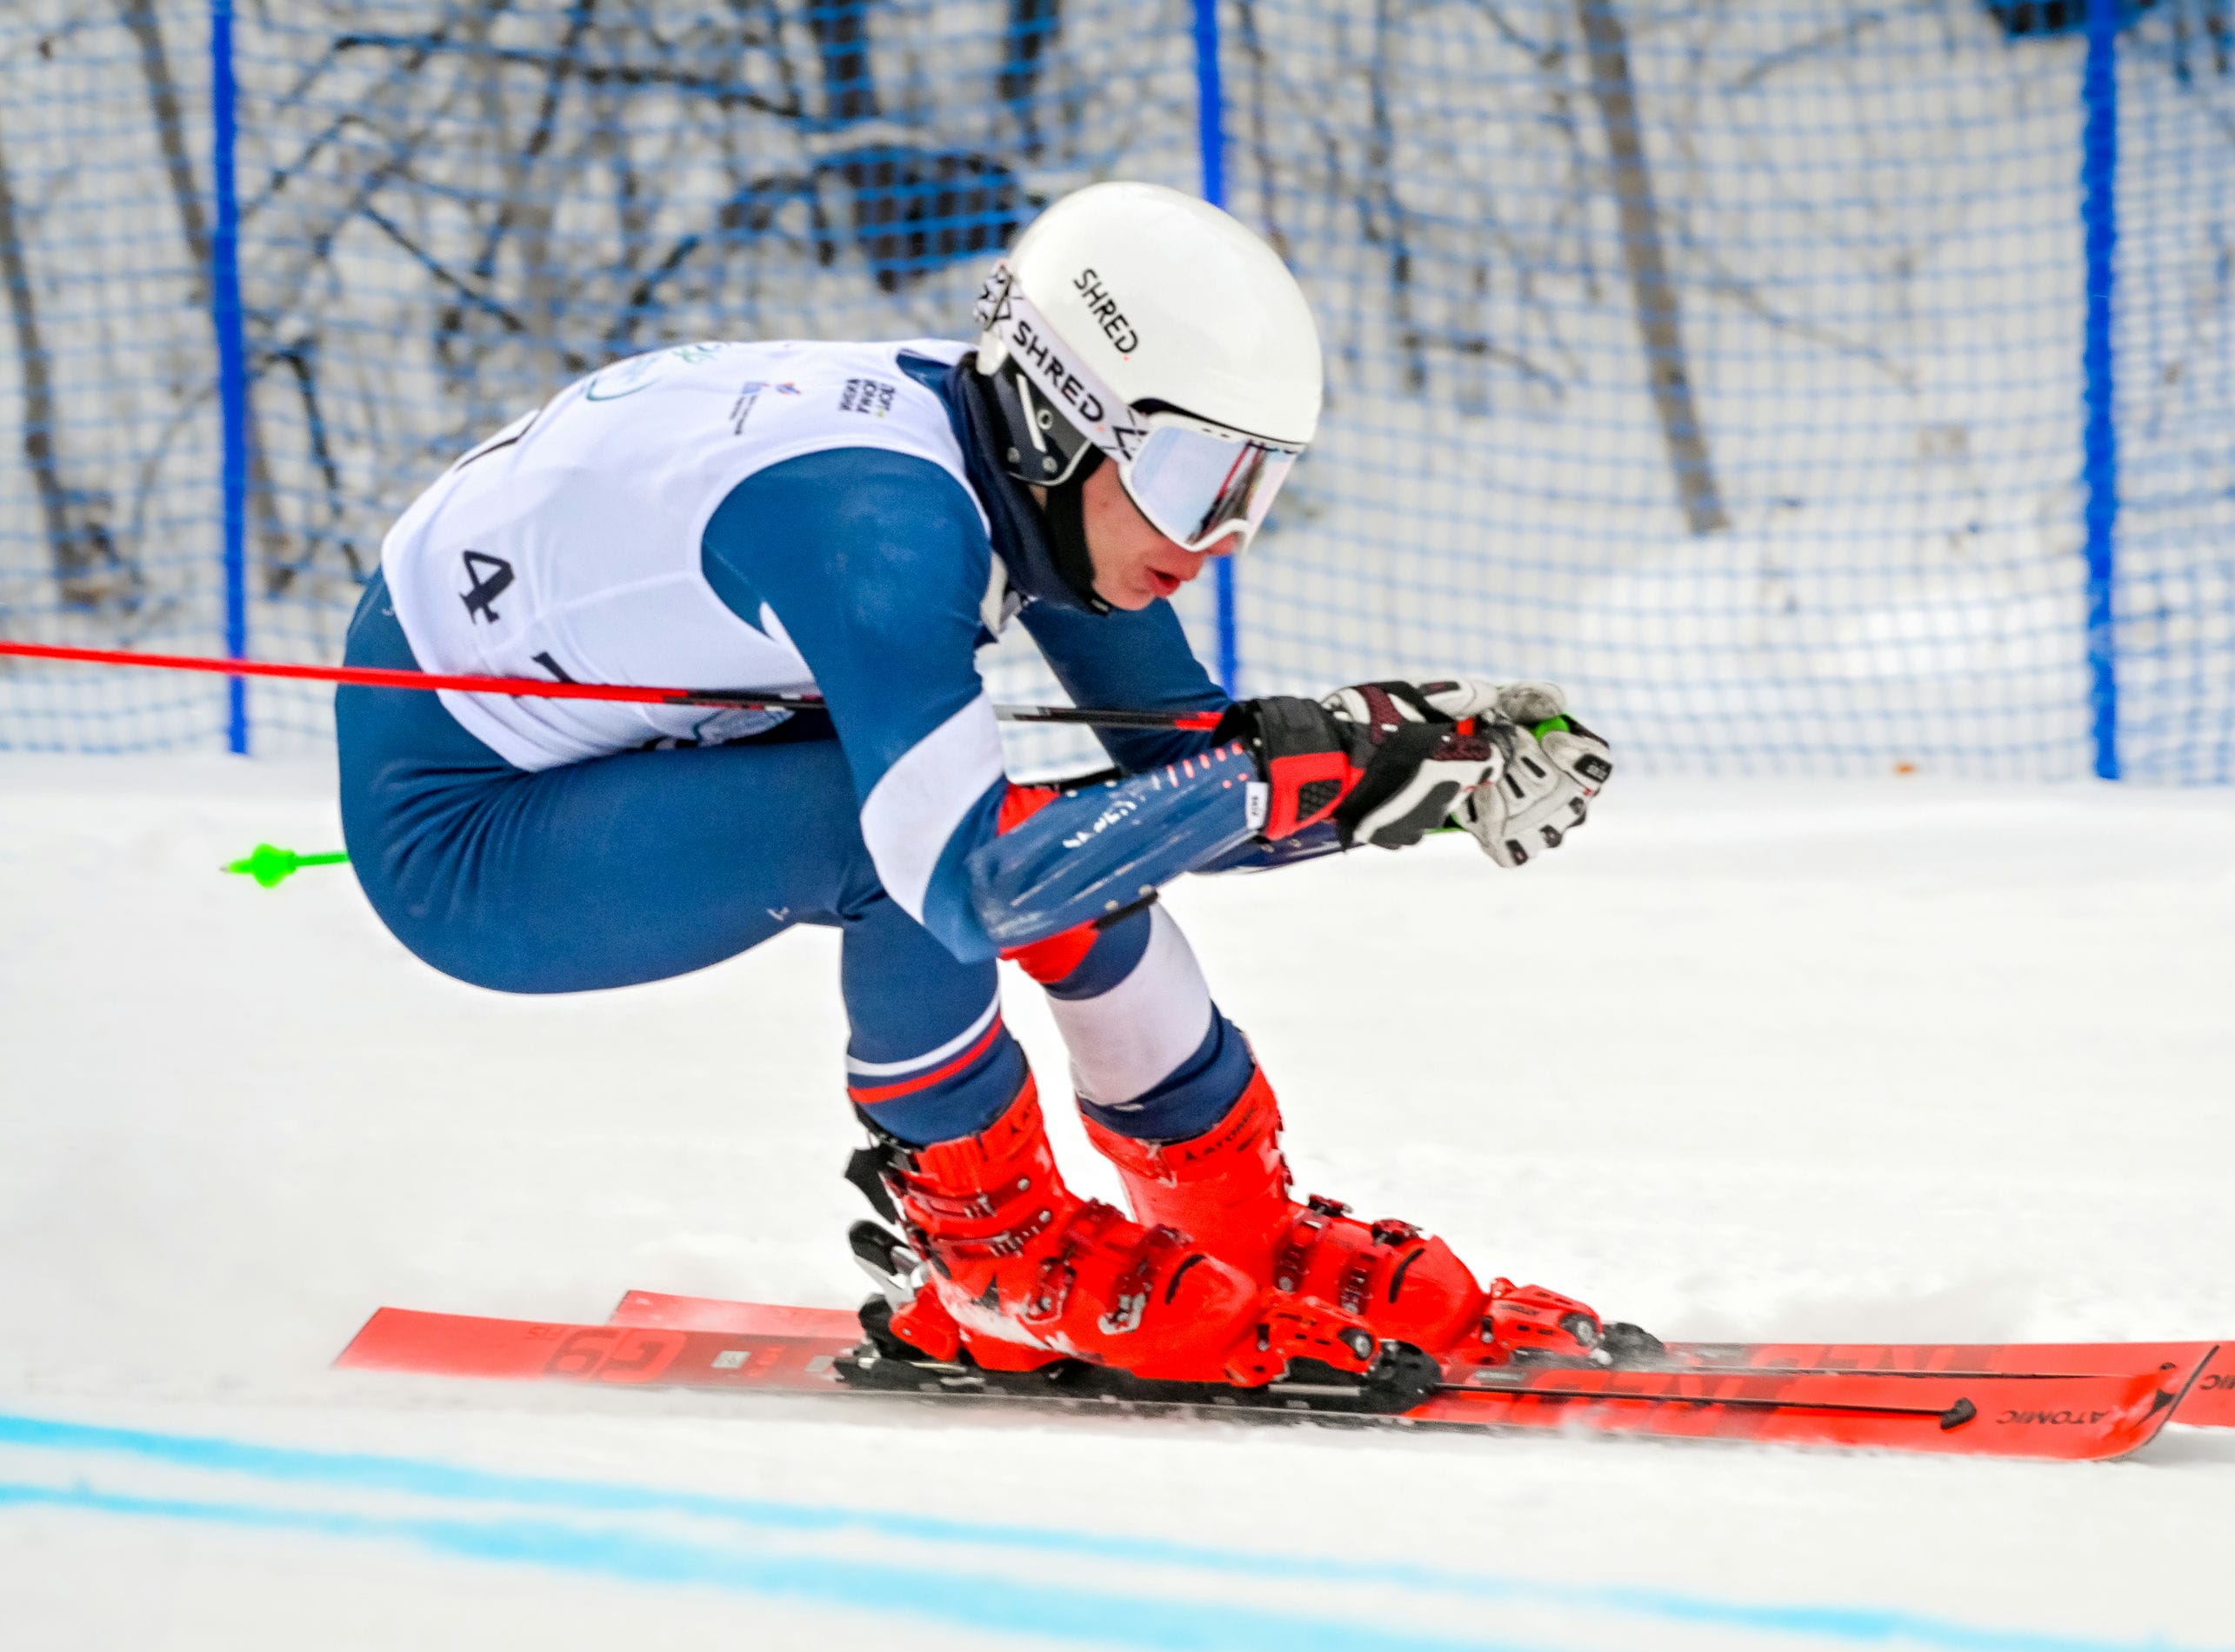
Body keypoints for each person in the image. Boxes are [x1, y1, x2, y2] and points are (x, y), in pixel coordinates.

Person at [337, 182, 1615, 1392]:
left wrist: (1392, 767)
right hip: (469, 828)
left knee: (1067, 840)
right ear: (1070, 425)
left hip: (610, 732)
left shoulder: (1028, 463)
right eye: (1194, 485)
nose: (1214, 544)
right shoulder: (881, 530)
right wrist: (1267, 777)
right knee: (914, 843)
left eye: (1252, 491)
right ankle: (992, 1257)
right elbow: (961, 888)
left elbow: (1183, 781)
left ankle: (1241, 1231)